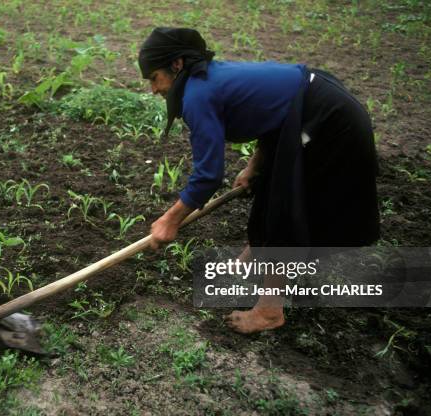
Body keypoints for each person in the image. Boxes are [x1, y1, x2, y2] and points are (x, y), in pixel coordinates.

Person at [138, 27, 380, 333]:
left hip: (330, 121)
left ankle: (269, 310)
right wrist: (255, 165)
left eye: (153, 78)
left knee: (285, 207)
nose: (153, 89)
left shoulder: (198, 94)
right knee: (269, 186)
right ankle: (249, 263)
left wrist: (170, 220)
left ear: (176, 65)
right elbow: (273, 113)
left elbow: (208, 175)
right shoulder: (206, 80)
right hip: (308, 110)